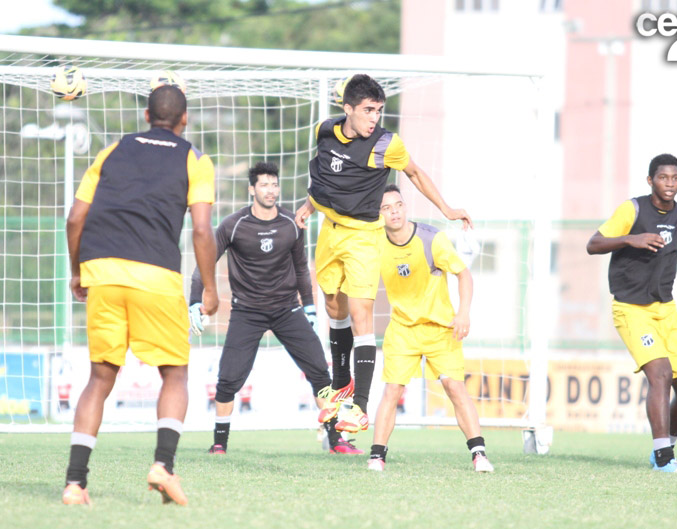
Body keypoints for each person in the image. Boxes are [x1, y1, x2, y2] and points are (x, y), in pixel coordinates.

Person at [62, 85, 219, 506]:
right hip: (156, 273)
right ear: (183, 120)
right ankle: (163, 466)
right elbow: (203, 230)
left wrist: (78, 271)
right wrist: (210, 287)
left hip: (103, 270)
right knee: (175, 373)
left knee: (99, 378)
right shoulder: (194, 158)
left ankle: (75, 484)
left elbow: (76, 216)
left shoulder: (112, 150)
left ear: (147, 116)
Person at [295, 74, 472, 433]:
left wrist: (447, 209)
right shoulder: (324, 131)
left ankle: (358, 406)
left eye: (378, 110)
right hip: (330, 230)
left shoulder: (387, 144)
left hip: (364, 235)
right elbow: (328, 180)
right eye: (367, 110)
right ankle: (342, 381)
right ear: (347, 109)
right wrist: (309, 207)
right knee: (333, 304)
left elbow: (416, 174)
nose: (374, 118)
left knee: (361, 311)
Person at [188, 161, 361, 455]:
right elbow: (203, 265)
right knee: (228, 379)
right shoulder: (234, 224)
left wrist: (308, 307)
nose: (271, 190)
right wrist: (195, 299)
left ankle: (335, 440)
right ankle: (219, 443)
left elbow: (301, 269)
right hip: (247, 312)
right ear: (251, 189)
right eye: (264, 185)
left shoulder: (291, 223)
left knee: (320, 372)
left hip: (286, 310)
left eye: (275, 184)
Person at [586, 153, 677, 474]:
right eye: (663, 178)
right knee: (661, 373)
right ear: (650, 180)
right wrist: (630, 239)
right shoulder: (632, 210)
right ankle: (664, 457)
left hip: (666, 309)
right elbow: (593, 244)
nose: (670, 184)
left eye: (676, 178)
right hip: (631, 309)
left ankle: (666, 448)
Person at [366, 184, 493, 472]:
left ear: (405, 206)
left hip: (440, 328)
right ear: (379, 214)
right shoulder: (374, 243)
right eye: (386, 208)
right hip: (401, 329)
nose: (394, 211)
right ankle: (376, 456)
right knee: (392, 391)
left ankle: (479, 454)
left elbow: (464, 274)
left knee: (454, 386)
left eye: (397, 205)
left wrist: (463, 314)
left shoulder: (431, 238)